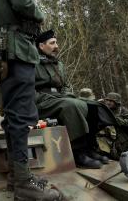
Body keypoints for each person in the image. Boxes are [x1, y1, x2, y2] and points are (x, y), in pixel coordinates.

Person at [0, 0, 61, 200]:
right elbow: (23, 2)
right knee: (21, 116)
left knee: (12, 116)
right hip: (18, 51)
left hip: (6, 53)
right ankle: (23, 183)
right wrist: (39, 14)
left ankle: (15, 177)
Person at [34, 30, 116, 169]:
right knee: (71, 106)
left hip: (60, 98)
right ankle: (78, 152)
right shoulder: (32, 64)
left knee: (92, 105)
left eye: (56, 42)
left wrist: (66, 94)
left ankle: (90, 148)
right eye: (52, 43)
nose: (56, 46)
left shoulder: (58, 64)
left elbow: (66, 85)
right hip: (42, 101)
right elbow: (29, 90)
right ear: (41, 46)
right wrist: (59, 97)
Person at [97, 92, 128, 160]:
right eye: (107, 100)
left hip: (122, 139)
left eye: (111, 101)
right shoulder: (104, 110)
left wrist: (118, 120)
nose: (108, 102)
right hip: (108, 139)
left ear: (116, 102)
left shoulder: (123, 111)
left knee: (126, 158)